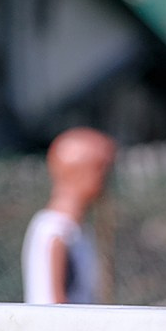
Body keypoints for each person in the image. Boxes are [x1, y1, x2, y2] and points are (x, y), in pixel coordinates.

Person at [22, 127, 115, 304]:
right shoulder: (56, 231)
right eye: (102, 170)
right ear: (78, 172)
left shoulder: (75, 230)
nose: (106, 181)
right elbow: (54, 303)